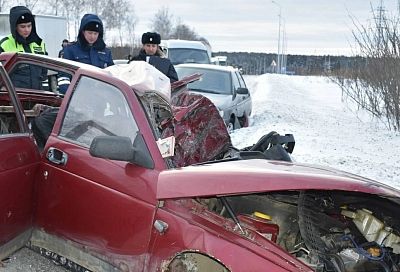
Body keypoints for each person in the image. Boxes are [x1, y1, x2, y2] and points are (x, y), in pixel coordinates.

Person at [0, 6, 47, 89]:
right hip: (15, 96)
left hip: (37, 93)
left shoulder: (39, 43)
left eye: (29, 26)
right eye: (22, 26)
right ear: (15, 26)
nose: (27, 30)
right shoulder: (4, 44)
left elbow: (44, 71)